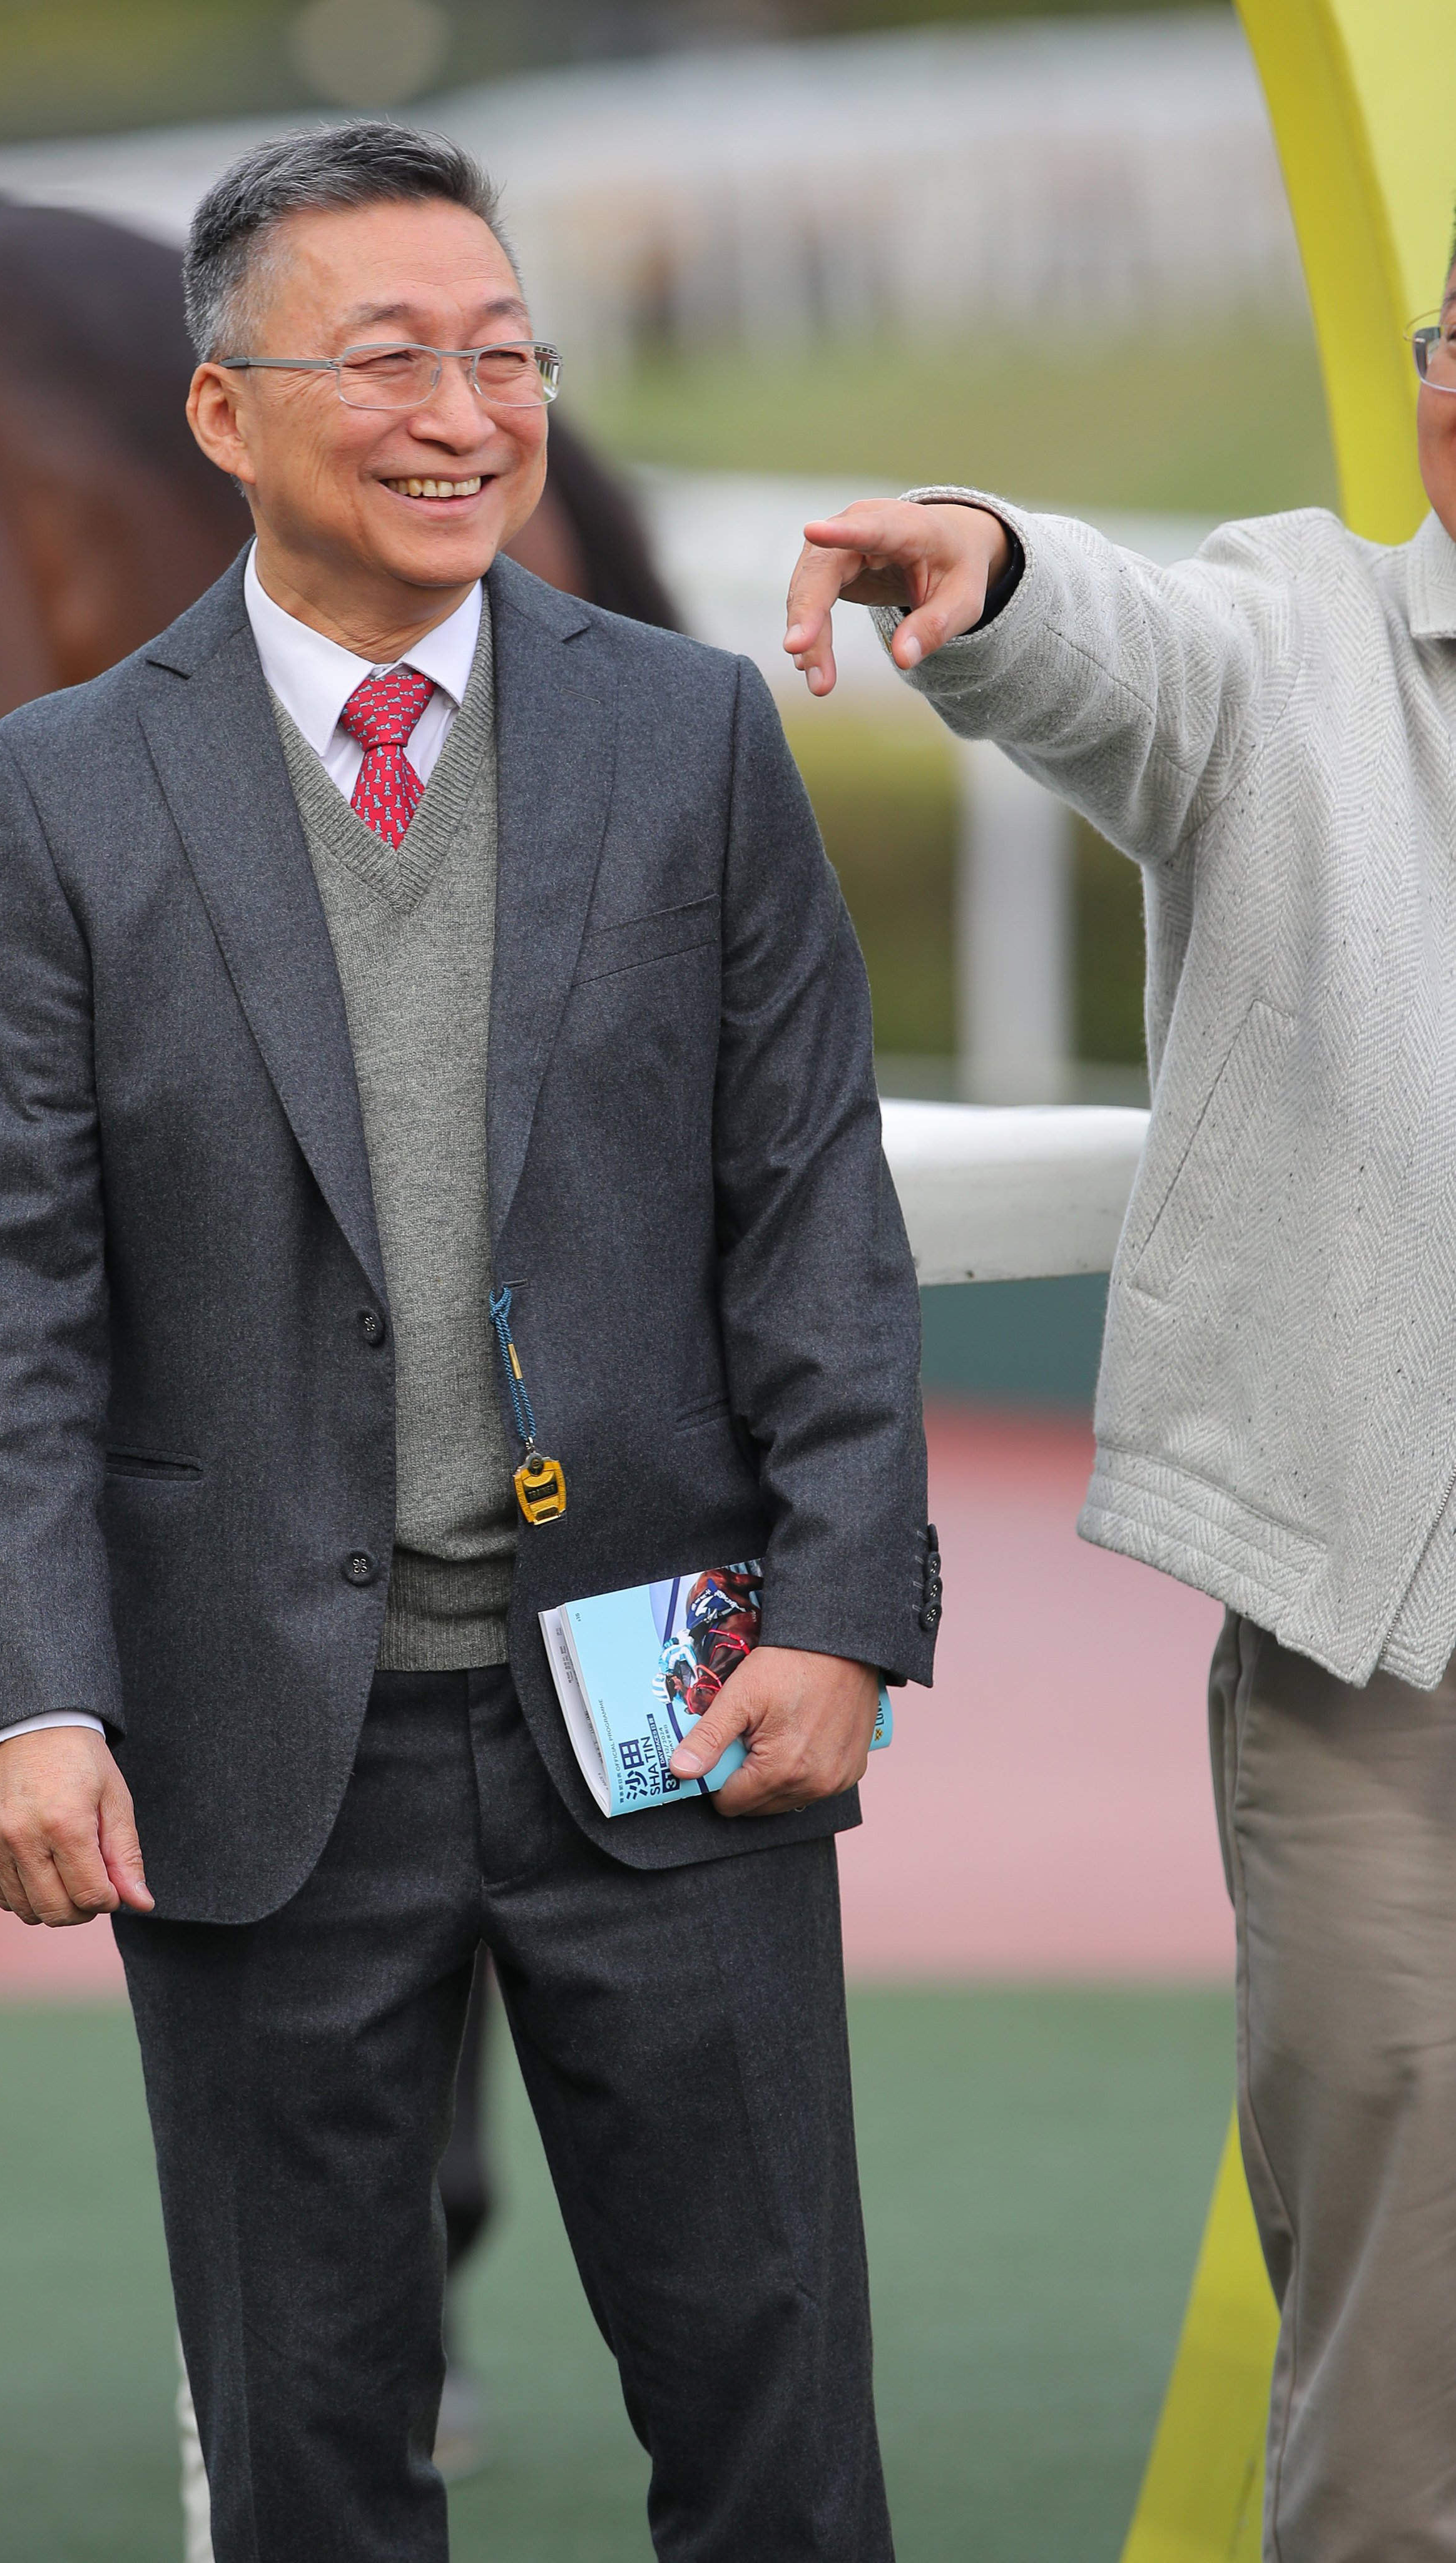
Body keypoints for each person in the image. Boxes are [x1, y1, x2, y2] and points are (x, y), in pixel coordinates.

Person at [0, 120, 939, 2563]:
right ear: (218, 411)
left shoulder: (684, 737)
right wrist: (29, 1694)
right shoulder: (64, 793)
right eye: (387, 357)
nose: (462, 413)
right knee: (310, 2461)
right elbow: (3, 1285)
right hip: (255, 1749)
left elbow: (806, 1206)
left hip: (671, 1707)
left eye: (502, 357)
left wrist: (839, 1615)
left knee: (774, 2422)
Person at [781, 232, 1456, 2563]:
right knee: (1398, 2304)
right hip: (1390, 1641)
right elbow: (1117, 654)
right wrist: (990, 570)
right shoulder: (1300, 632)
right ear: (1426, 382)